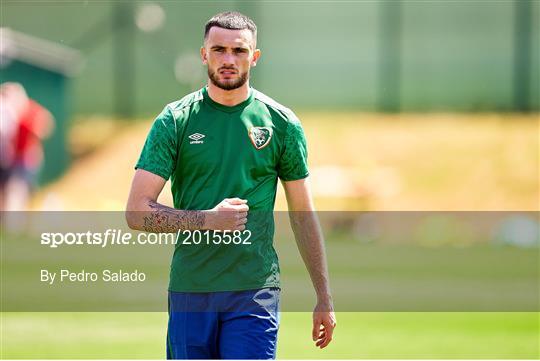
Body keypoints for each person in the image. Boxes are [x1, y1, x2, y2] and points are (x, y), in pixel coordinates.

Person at [126, 11, 336, 359]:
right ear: (203, 54)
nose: (228, 60)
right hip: (191, 289)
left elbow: (302, 213)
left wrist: (324, 297)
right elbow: (136, 212)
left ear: (254, 57)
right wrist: (208, 219)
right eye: (219, 49)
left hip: (254, 290)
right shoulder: (175, 120)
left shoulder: (281, 124)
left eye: (238, 51)